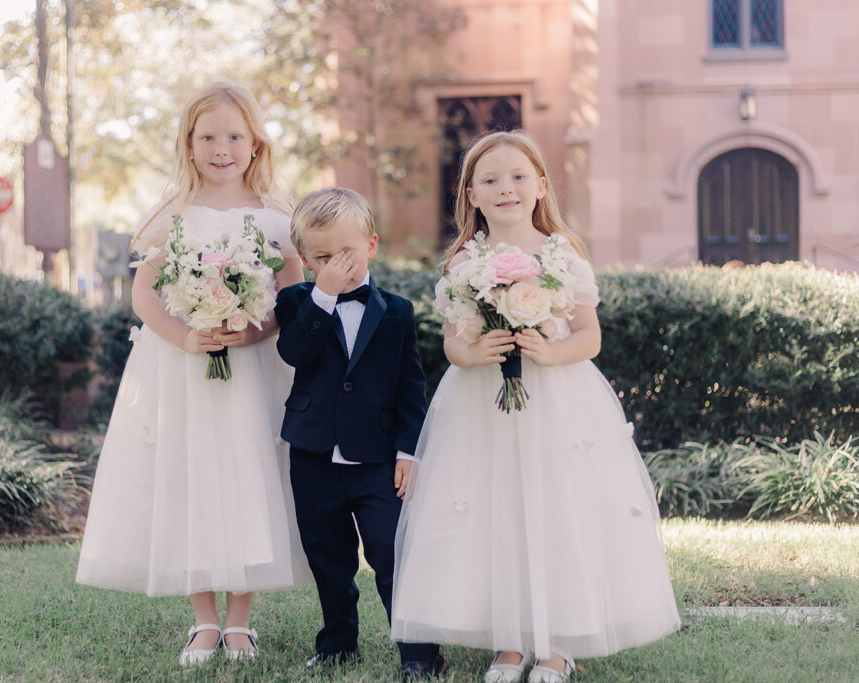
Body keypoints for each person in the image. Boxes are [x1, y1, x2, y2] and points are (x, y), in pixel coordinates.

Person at [391, 131, 681, 683]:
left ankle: (556, 645)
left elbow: (590, 336)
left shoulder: (561, 254)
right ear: (471, 194)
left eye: (519, 176)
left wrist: (550, 351)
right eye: (491, 180)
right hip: (481, 406)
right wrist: (475, 351)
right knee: (493, 509)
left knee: (555, 511)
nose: (506, 188)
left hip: (556, 402)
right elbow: (452, 342)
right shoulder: (462, 264)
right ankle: (507, 640)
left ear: (541, 186)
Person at [75, 82, 310, 667]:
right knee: (189, 479)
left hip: (251, 371)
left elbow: (292, 296)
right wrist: (187, 336)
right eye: (208, 136)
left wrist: (250, 331)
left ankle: (240, 622)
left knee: (247, 477)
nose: (221, 148)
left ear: (255, 145)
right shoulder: (172, 217)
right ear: (189, 144)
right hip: (182, 371)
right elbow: (145, 292)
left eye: (234, 136)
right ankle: (203, 619)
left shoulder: (278, 221)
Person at [274, 187, 445, 679]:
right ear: (305, 259)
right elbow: (294, 354)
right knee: (328, 559)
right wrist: (323, 296)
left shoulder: (396, 311)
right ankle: (337, 644)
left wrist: (407, 452)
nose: (334, 264)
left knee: (393, 554)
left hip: (377, 460)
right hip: (313, 455)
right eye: (322, 257)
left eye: (344, 253)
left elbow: (412, 388)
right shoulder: (297, 302)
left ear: (371, 245)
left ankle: (418, 651)